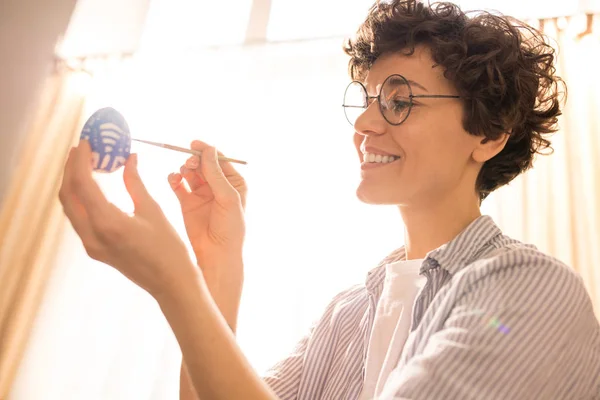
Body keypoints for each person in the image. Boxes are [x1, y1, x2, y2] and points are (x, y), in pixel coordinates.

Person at [59, 0, 600, 399]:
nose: (365, 123)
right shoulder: (347, 314)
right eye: (366, 101)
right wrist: (214, 266)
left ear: (488, 135)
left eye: (399, 101)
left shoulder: (531, 289)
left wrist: (175, 284)